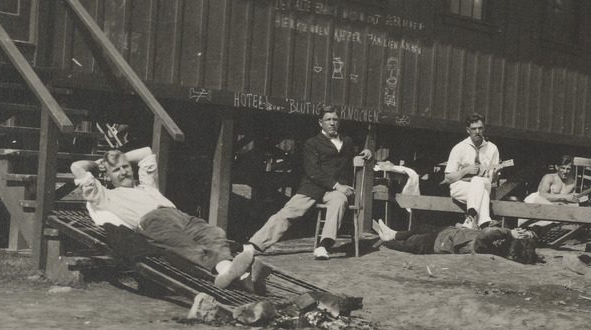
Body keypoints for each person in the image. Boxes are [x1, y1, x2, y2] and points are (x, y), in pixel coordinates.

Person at [70, 147, 257, 290]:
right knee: (185, 245)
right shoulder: (105, 195)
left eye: (126, 166)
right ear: (107, 176)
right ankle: (228, 273)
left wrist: (120, 156)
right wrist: (100, 163)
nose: (124, 172)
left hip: (180, 216)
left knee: (214, 233)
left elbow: (146, 152)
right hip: (152, 222)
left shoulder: (146, 186)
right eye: (117, 170)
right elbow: (77, 167)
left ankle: (228, 271)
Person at [245, 105, 372, 260]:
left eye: (335, 119)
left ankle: (324, 245)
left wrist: (365, 153)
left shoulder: (347, 141)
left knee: (340, 201)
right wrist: (338, 186)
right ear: (320, 123)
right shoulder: (312, 143)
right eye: (328, 120)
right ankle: (254, 244)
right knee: (289, 212)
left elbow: (350, 157)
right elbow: (313, 172)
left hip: (334, 192)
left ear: (339, 122)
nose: (332, 123)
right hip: (313, 187)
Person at [372, 219, 538, 264]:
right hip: (450, 233)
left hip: (440, 244)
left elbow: (485, 234)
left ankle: (386, 240)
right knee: (422, 227)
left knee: (413, 244)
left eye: (524, 235)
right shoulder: (502, 241)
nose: (521, 232)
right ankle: (393, 233)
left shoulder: (491, 247)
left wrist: (510, 232)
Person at [443, 113, 500, 229]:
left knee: (478, 181)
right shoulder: (459, 148)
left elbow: (492, 180)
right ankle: (484, 222)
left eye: (480, 128)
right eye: (474, 129)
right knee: (481, 191)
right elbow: (448, 178)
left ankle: (471, 216)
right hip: (461, 186)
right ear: (468, 130)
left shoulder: (492, 148)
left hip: (484, 184)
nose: (477, 131)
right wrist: (465, 170)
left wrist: (495, 174)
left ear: (484, 128)